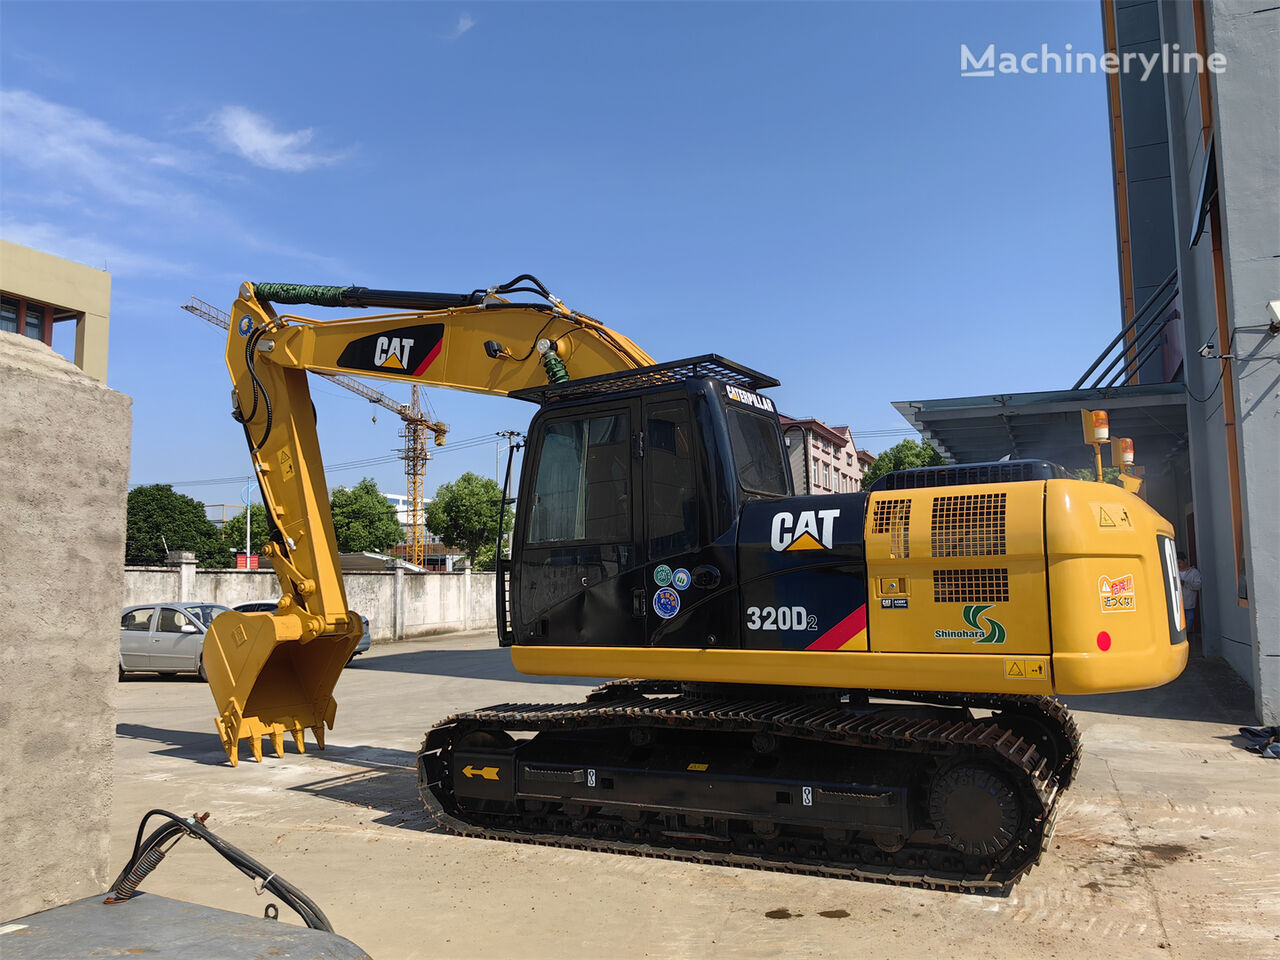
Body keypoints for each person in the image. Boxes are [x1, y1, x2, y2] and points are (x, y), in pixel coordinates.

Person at [1177, 552, 1202, 637]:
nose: (1178, 565)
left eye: (1180, 562)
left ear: (1185, 561)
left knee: (1189, 621)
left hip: (1189, 604)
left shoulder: (1194, 572)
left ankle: (1188, 637)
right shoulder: (1173, 572)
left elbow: (1198, 586)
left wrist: (1186, 583)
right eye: (1177, 563)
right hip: (1177, 605)